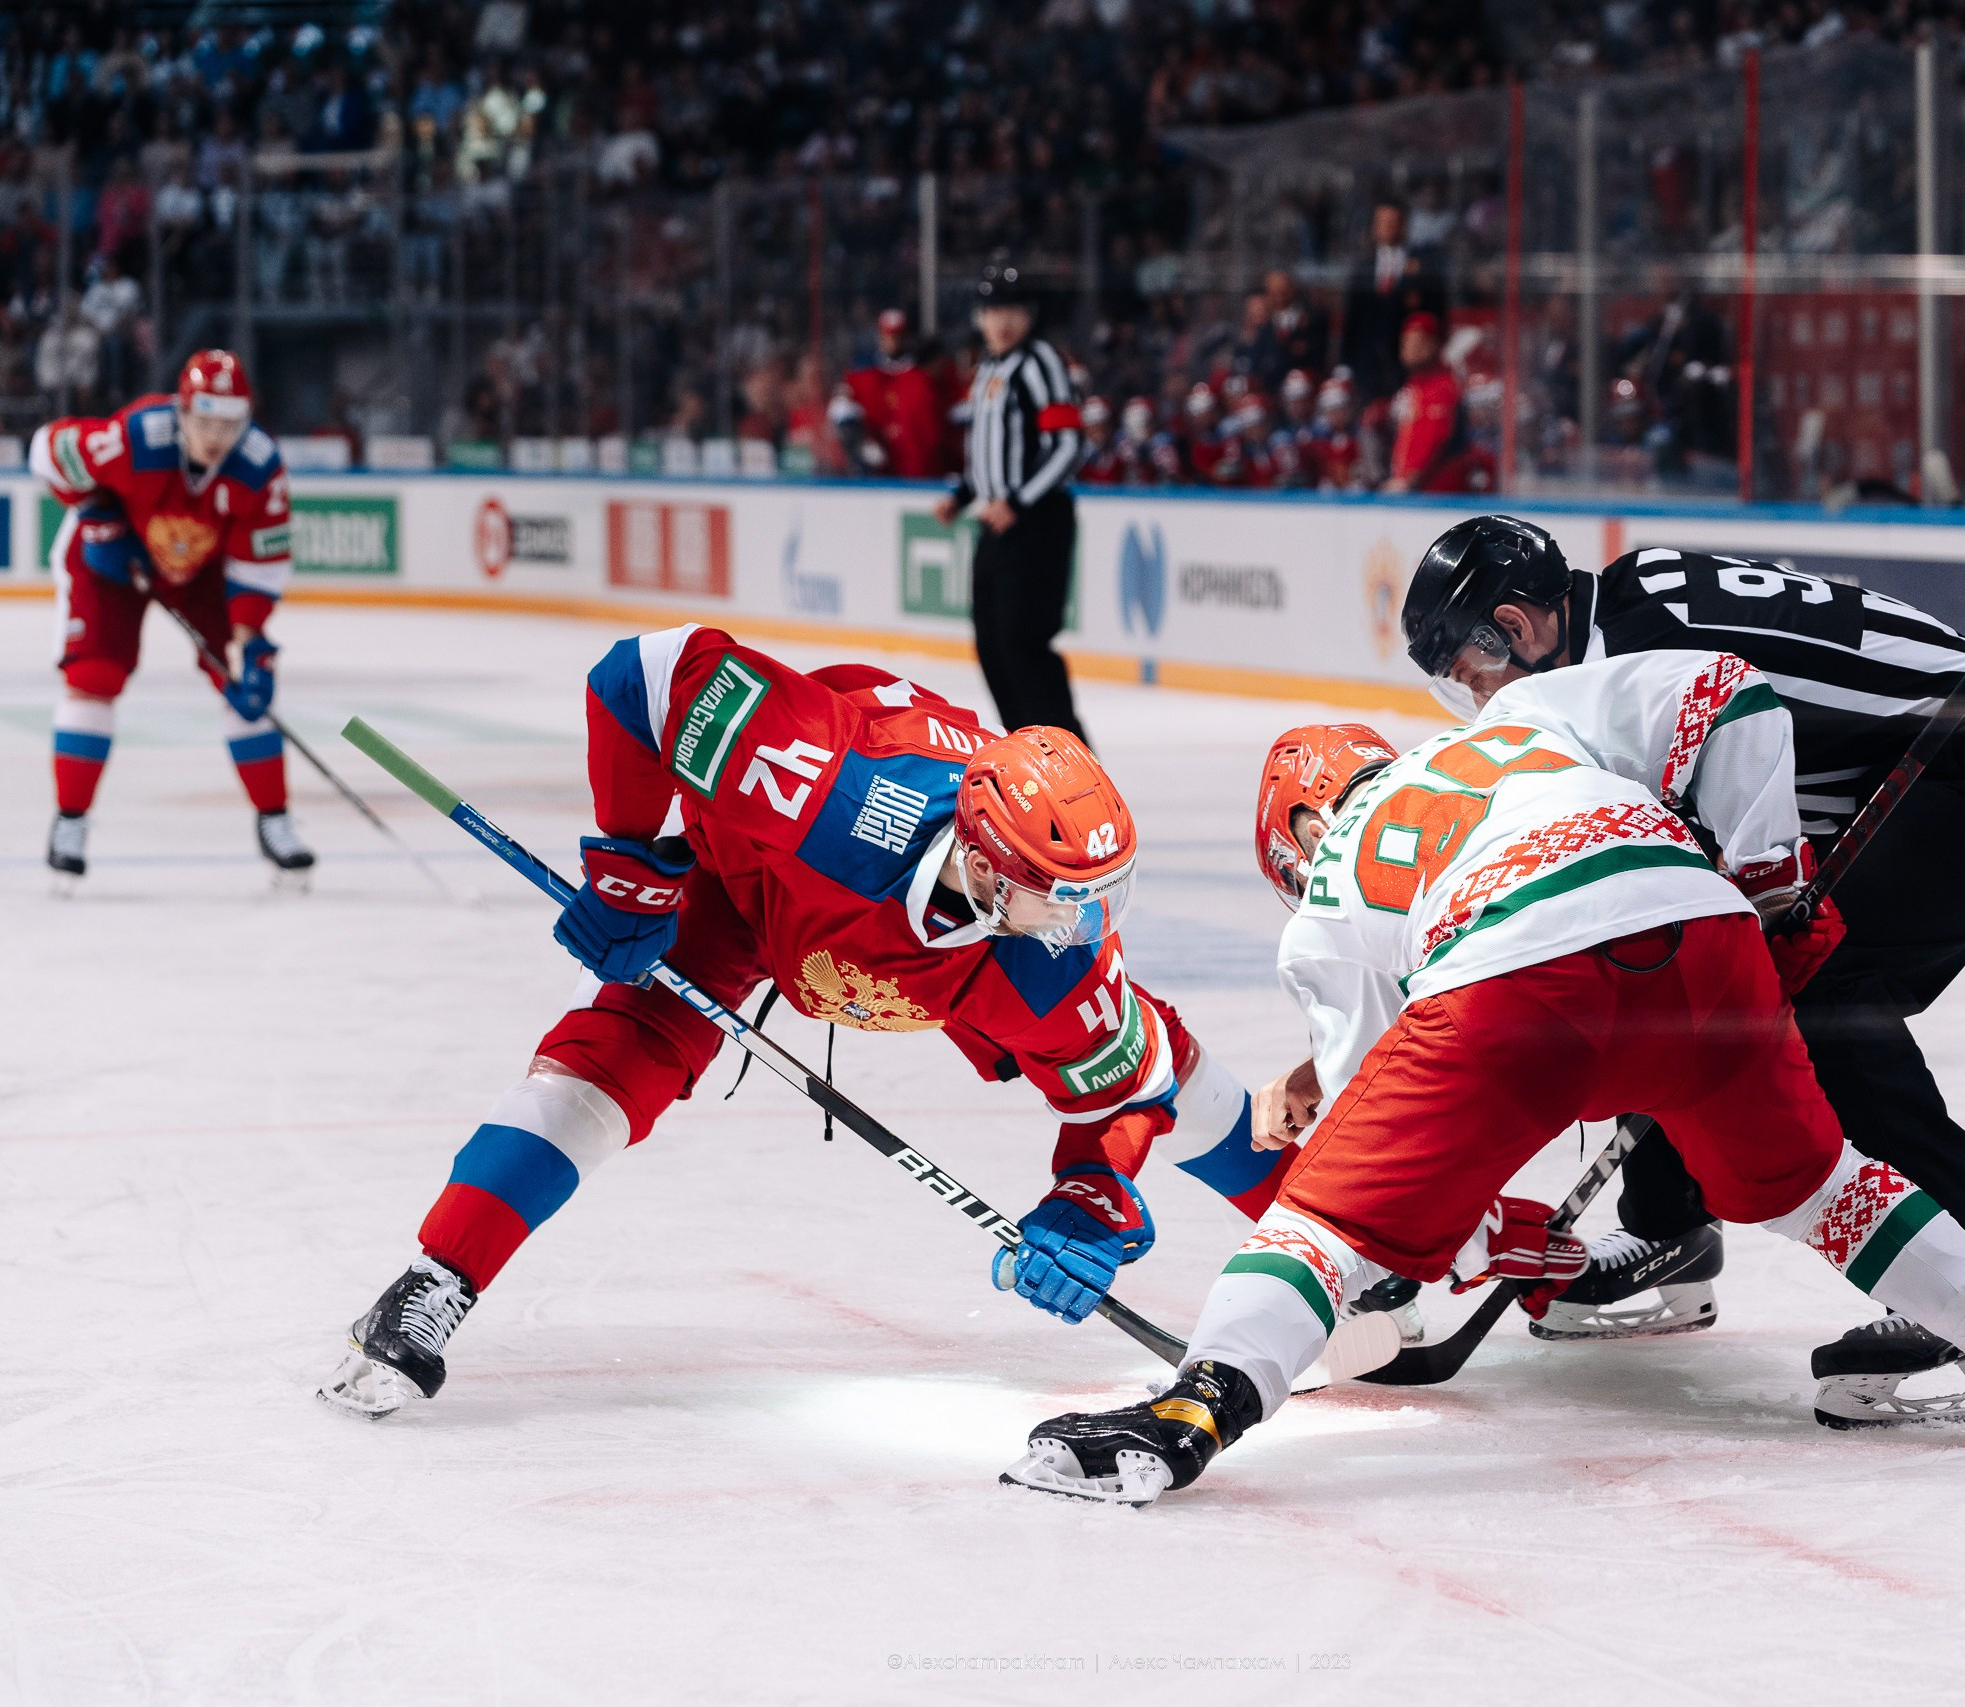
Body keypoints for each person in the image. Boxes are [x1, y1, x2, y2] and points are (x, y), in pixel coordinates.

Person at [1002, 686, 1965, 1505]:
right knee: (1823, 1184)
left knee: (1322, 1226)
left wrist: (1488, 1243)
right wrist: (1766, 885)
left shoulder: (1327, 898)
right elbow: (1726, 690)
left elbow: (1376, 1190)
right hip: (1704, 931)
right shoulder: (1520, 722)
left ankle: (1191, 1412)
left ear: (1296, 829)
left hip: (1511, 981)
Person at [318, 631, 1286, 1419]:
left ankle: (1332, 1229)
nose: (1085, 922)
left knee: (1147, 1042)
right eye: (1063, 897)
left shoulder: (1046, 951)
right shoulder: (829, 784)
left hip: (925, 964)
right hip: (740, 891)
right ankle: (430, 1282)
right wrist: (631, 866)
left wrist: (1088, 1191)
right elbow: (639, 677)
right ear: (988, 870)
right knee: (607, 1070)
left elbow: (1129, 1085)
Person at [1383, 518, 1965, 1426]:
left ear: (1517, 626)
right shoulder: (1629, 607)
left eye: (1473, 675)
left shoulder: (1633, 657)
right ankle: (1669, 1231)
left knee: (1826, 1006)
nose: (1479, 703)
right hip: (1951, 751)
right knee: (1684, 946)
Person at [28, 348, 312, 881]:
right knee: (94, 676)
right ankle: (70, 820)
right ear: (182, 411)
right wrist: (95, 514)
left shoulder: (258, 467)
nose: (216, 437)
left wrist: (247, 643)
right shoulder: (137, 437)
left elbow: (258, 563)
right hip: (111, 561)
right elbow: (49, 452)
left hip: (201, 572)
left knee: (245, 685)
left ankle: (275, 819)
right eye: (205, 421)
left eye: (230, 424)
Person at [935, 257, 1088, 740]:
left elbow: (1068, 444)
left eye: (1013, 310)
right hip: (997, 525)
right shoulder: (989, 370)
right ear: (979, 318)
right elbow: (988, 452)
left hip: (1035, 525)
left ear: (1030, 315)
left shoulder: (1039, 362)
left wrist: (1017, 502)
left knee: (1023, 643)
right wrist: (963, 494)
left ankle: (1069, 758)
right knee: (992, 644)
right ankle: (1026, 752)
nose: (1003, 321)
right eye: (993, 310)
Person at [1339, 199, 1447, 403]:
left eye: (1394, 222)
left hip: (1407, 366)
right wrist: (1346, 363)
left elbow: (1436, 313)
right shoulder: (1363, 268)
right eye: (1383, 222)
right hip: (1368, 366)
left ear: (1404, 225)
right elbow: (1353, 319)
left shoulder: (1424, 265)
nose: (1388, 228)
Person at [843, 308, 949, 478]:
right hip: (878, 474)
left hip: (917, 472)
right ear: (880, 336)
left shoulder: (921, 376)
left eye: (898, 335)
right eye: (888, 335)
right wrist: (861, 444)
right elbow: (844, 418)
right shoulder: (863, 376)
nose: (893, 340)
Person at [1382, 312, 1466, 494]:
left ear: (1432, 345)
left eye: (1417, 343)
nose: (1408, 350)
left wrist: (1410, 481)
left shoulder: (1442, 387)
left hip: (1431, 492)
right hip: (1408, 486)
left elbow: (1435, 438)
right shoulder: (1414, 385)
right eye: (1406, 343)